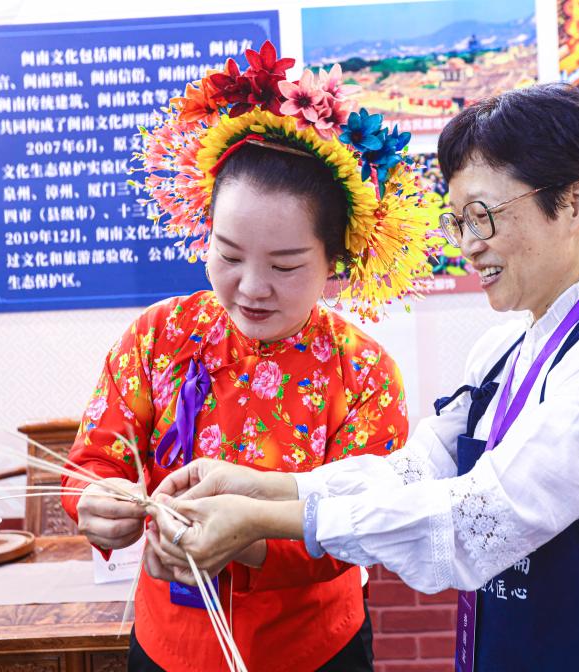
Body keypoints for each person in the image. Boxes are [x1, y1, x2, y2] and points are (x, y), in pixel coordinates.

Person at [146, 83, 579, 671]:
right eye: (459, 221)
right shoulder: (500, 353)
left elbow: (480, 518)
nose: (469, 245)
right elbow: (410, 474)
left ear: (573, 204)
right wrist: (264, 487)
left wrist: (262, 518)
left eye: (483, 216)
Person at [61, 41, 435, 672]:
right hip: (170, 645)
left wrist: (251, 537)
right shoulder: (158, 336)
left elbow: (362, 524)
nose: (252, 287)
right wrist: (97, 500)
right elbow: (94, 459)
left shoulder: (364, 371)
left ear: (335, 262)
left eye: (285, 265)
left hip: (314, 649)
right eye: (229, 255)